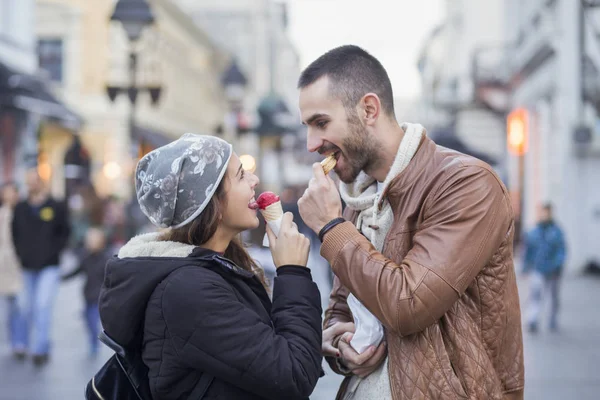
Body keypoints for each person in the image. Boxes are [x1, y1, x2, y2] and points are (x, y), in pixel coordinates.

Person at [297, 45, 524, 399]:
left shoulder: (465, 183)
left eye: (321, 123)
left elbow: (408, 305)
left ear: (369, 109)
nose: (312, 143)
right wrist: (343, 347)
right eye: (307, 126)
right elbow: (343, 306)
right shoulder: (358, 198)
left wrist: (330, 228)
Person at [98, 134, 323, 400]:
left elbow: (261, 349)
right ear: (212, 203)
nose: (254, 180)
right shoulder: (188, 290)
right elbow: (293, 374)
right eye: (241, 175)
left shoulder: (215, 266)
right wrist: (292, 271)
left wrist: (312, 338)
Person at [12, 169, 71, 366]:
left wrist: (55, 250)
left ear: (41, 183)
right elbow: (15, 233)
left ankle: (40, 349)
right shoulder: (20, 207)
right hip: (27, 266)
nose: (31, 185)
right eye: (28, 182)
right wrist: (20, 254)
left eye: (34, 181)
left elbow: (65, 231)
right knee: (25, 307)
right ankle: (21, 344)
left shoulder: (54, 206)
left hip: (49, 265)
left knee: (43, 305)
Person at [62, 227, 111, 357]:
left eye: (92, 241)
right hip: (87, 295)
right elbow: (77, 270)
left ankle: (94, 343)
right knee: (88, 321)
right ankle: (93, 339)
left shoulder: (106, 259)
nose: (89, 244)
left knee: (93, 320)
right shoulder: (85, 257)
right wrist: (63, 277)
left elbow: (112, 277)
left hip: (99, 296)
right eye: (88, 241)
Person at [523, 203, 566, 333]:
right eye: (543, 212)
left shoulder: (557, 231)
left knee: (553, 297)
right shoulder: (533, 232)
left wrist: (557, 264)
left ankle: (553, 319)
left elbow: (561, 250)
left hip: (553, 271)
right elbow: (528, 251)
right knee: (535, 295)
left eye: (547, 212)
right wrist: (525, 267)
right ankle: (532, 320)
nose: (544, 215)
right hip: (538, 269)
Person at [0, 182, 25, 359]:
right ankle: (14, 341)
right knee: (8, 307)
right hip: (4, 265)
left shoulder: (22, 212)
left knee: (21, 306)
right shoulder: (2, 213)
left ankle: (20, 342)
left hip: (20, 263)